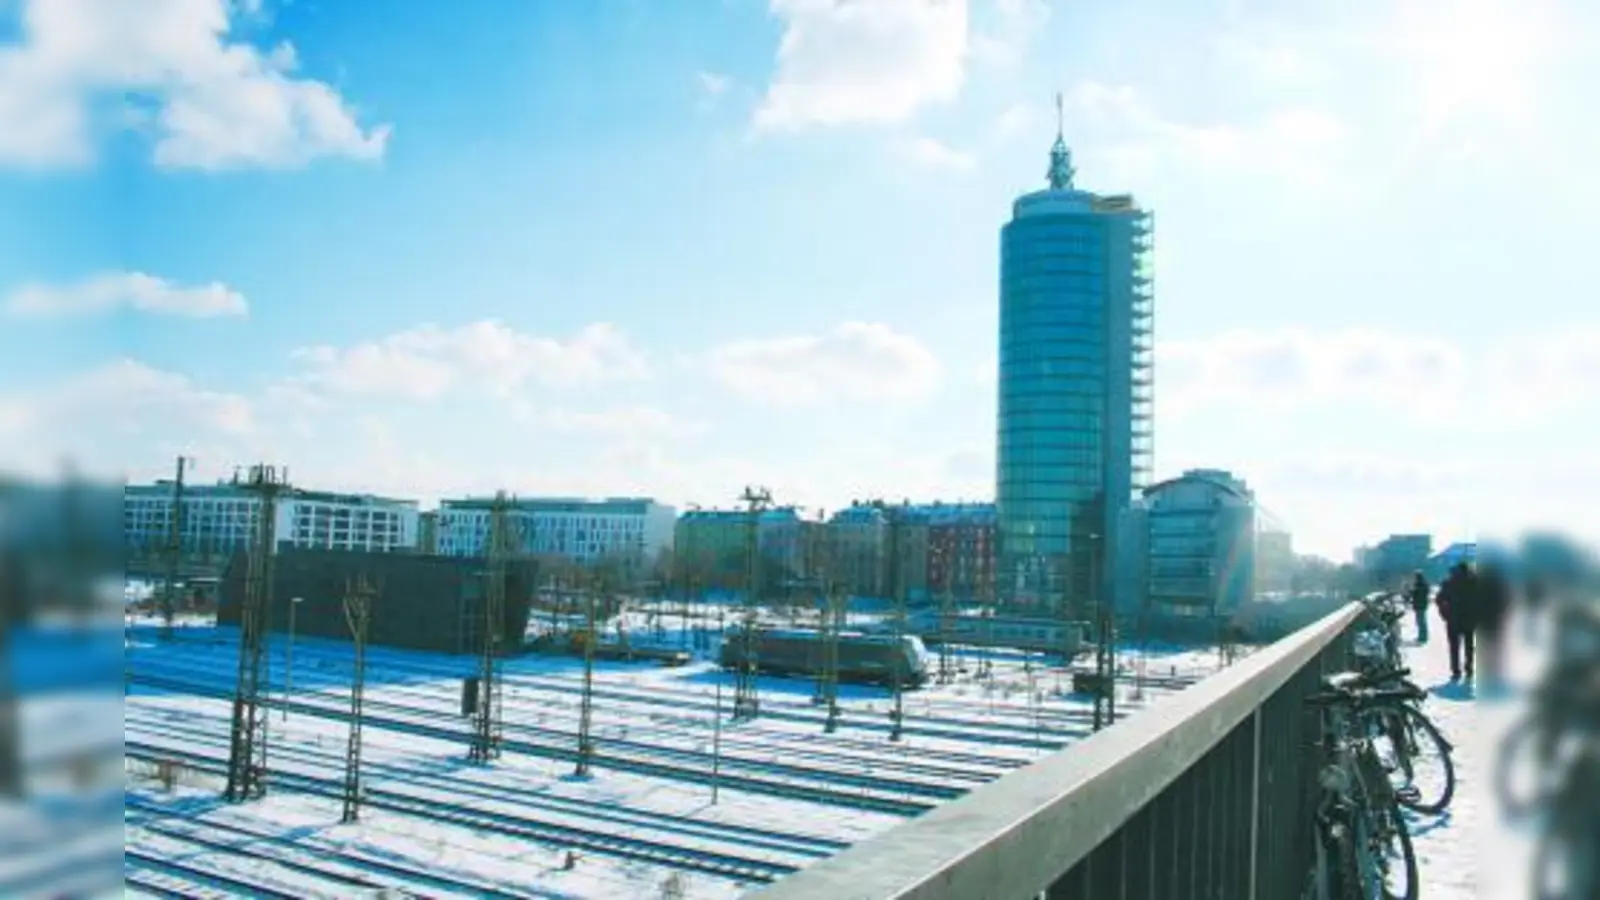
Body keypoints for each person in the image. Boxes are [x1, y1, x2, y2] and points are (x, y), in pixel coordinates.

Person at [1435, 561, 1478, 682]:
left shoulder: (1449, 583)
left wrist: (1445, 615)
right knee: (1469, 646)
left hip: (1454, 620)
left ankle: (1456, 671)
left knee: (1454, 647)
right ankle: (1469, 669)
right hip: (1470, 620)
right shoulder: (1474, 582)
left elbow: (1439, 600)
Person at [1476, 561, 1512, 686]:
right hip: (1497, 619)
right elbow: (1507, 602)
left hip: (1484, 619)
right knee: (1496, 646)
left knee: (1485, 645)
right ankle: (1495, 669)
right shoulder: (1501, 585)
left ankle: (1487, 669)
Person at [1407, 570, 1431, 644]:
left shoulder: (1420, 584)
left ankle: (1423, 637)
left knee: (1421, 622)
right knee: (1421, 621)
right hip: (1422, 605)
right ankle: (1422, 636)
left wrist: (1409, 590)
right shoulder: (1423, 584)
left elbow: (1416, 594)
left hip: (1419, 605)